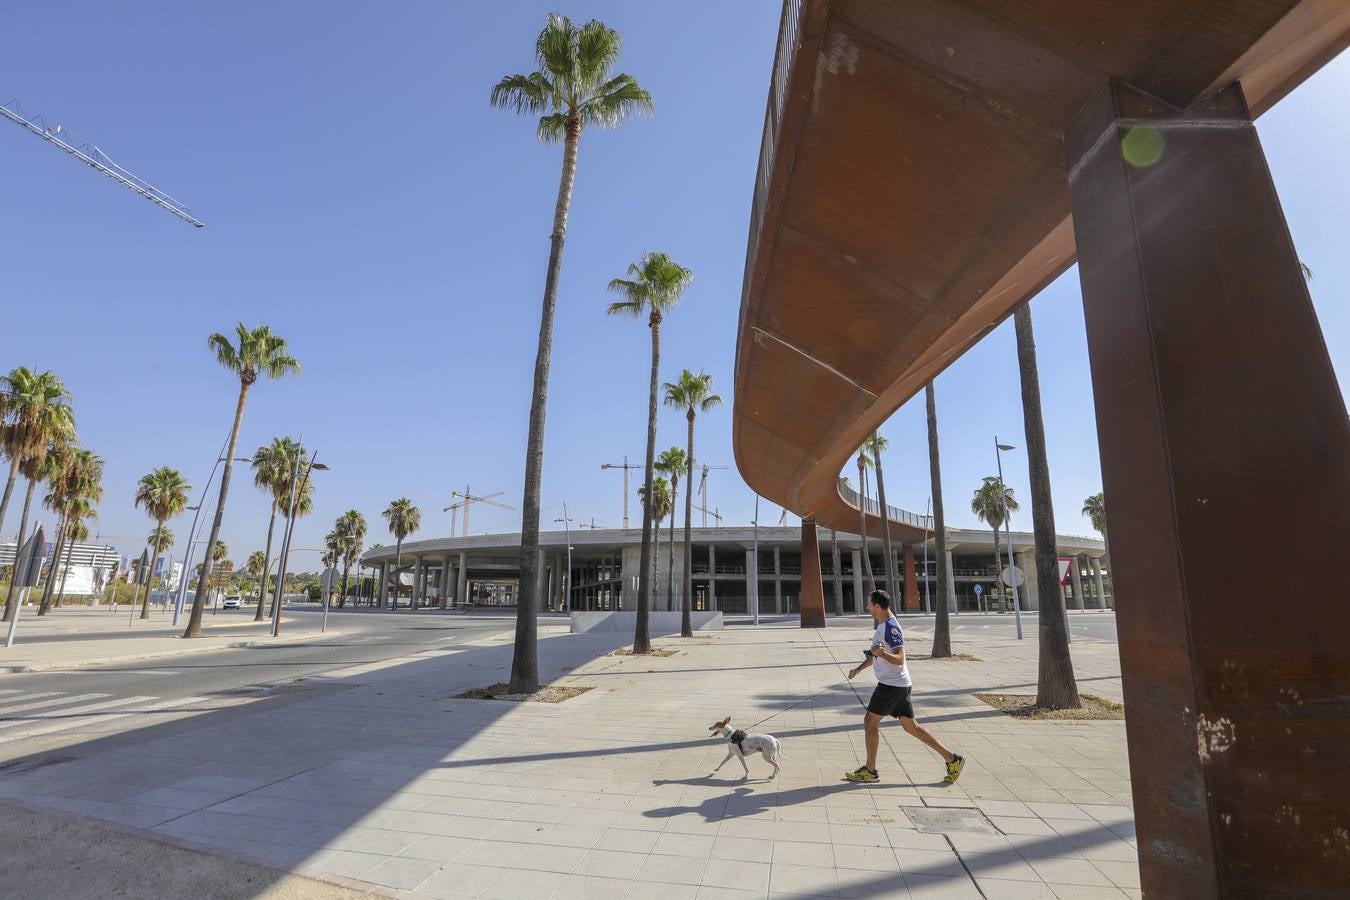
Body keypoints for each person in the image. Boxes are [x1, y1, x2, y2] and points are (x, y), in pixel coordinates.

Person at [846, 590, 965, 784]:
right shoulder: (882, 626)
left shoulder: (891, 627)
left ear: (877, 605)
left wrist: (883, 655)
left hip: (892, 685)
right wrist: (859, 669)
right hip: (898, 685)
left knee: (870, 721)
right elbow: (875, 654)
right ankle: (952, 759)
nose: (867, 607)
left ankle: (870, 770)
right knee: (911, 727)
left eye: (869, 604)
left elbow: (900, 659)